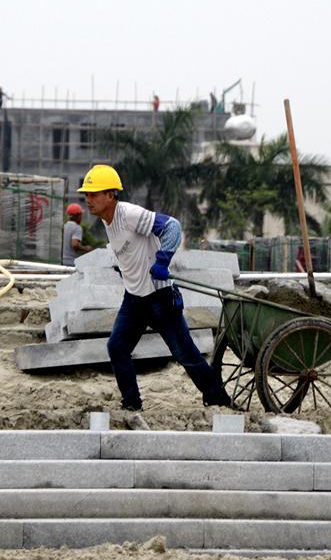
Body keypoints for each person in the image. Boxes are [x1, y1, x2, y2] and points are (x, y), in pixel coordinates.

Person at [77, 164, 231, 411]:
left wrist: (162, 261)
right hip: (134, 300)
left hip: (160, 297)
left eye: (93, 194)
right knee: (117, 348)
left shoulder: (129, 214)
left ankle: (218, 400)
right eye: (86, 194)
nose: (88, 199)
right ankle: (131, 403)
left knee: (185, 354)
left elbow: (172, 227)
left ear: (110, 195)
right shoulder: (108, 221)